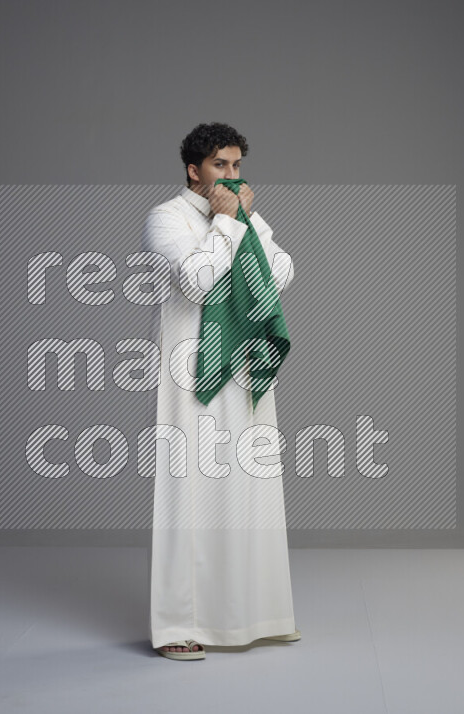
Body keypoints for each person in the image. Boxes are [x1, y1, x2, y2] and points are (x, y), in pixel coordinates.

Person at [141, 122, 299, 660]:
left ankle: (254, 614)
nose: (233, 176)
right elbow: (198, 282)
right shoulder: (167, 218)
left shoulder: (240, 215)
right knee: (189, 492)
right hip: (191, 370)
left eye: (237, 166)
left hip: (242, 365)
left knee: (248, 488)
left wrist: (248, 221)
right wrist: (230, 226)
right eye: (220, 166)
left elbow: (281, 273)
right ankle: (178, 626)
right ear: (194, 169)